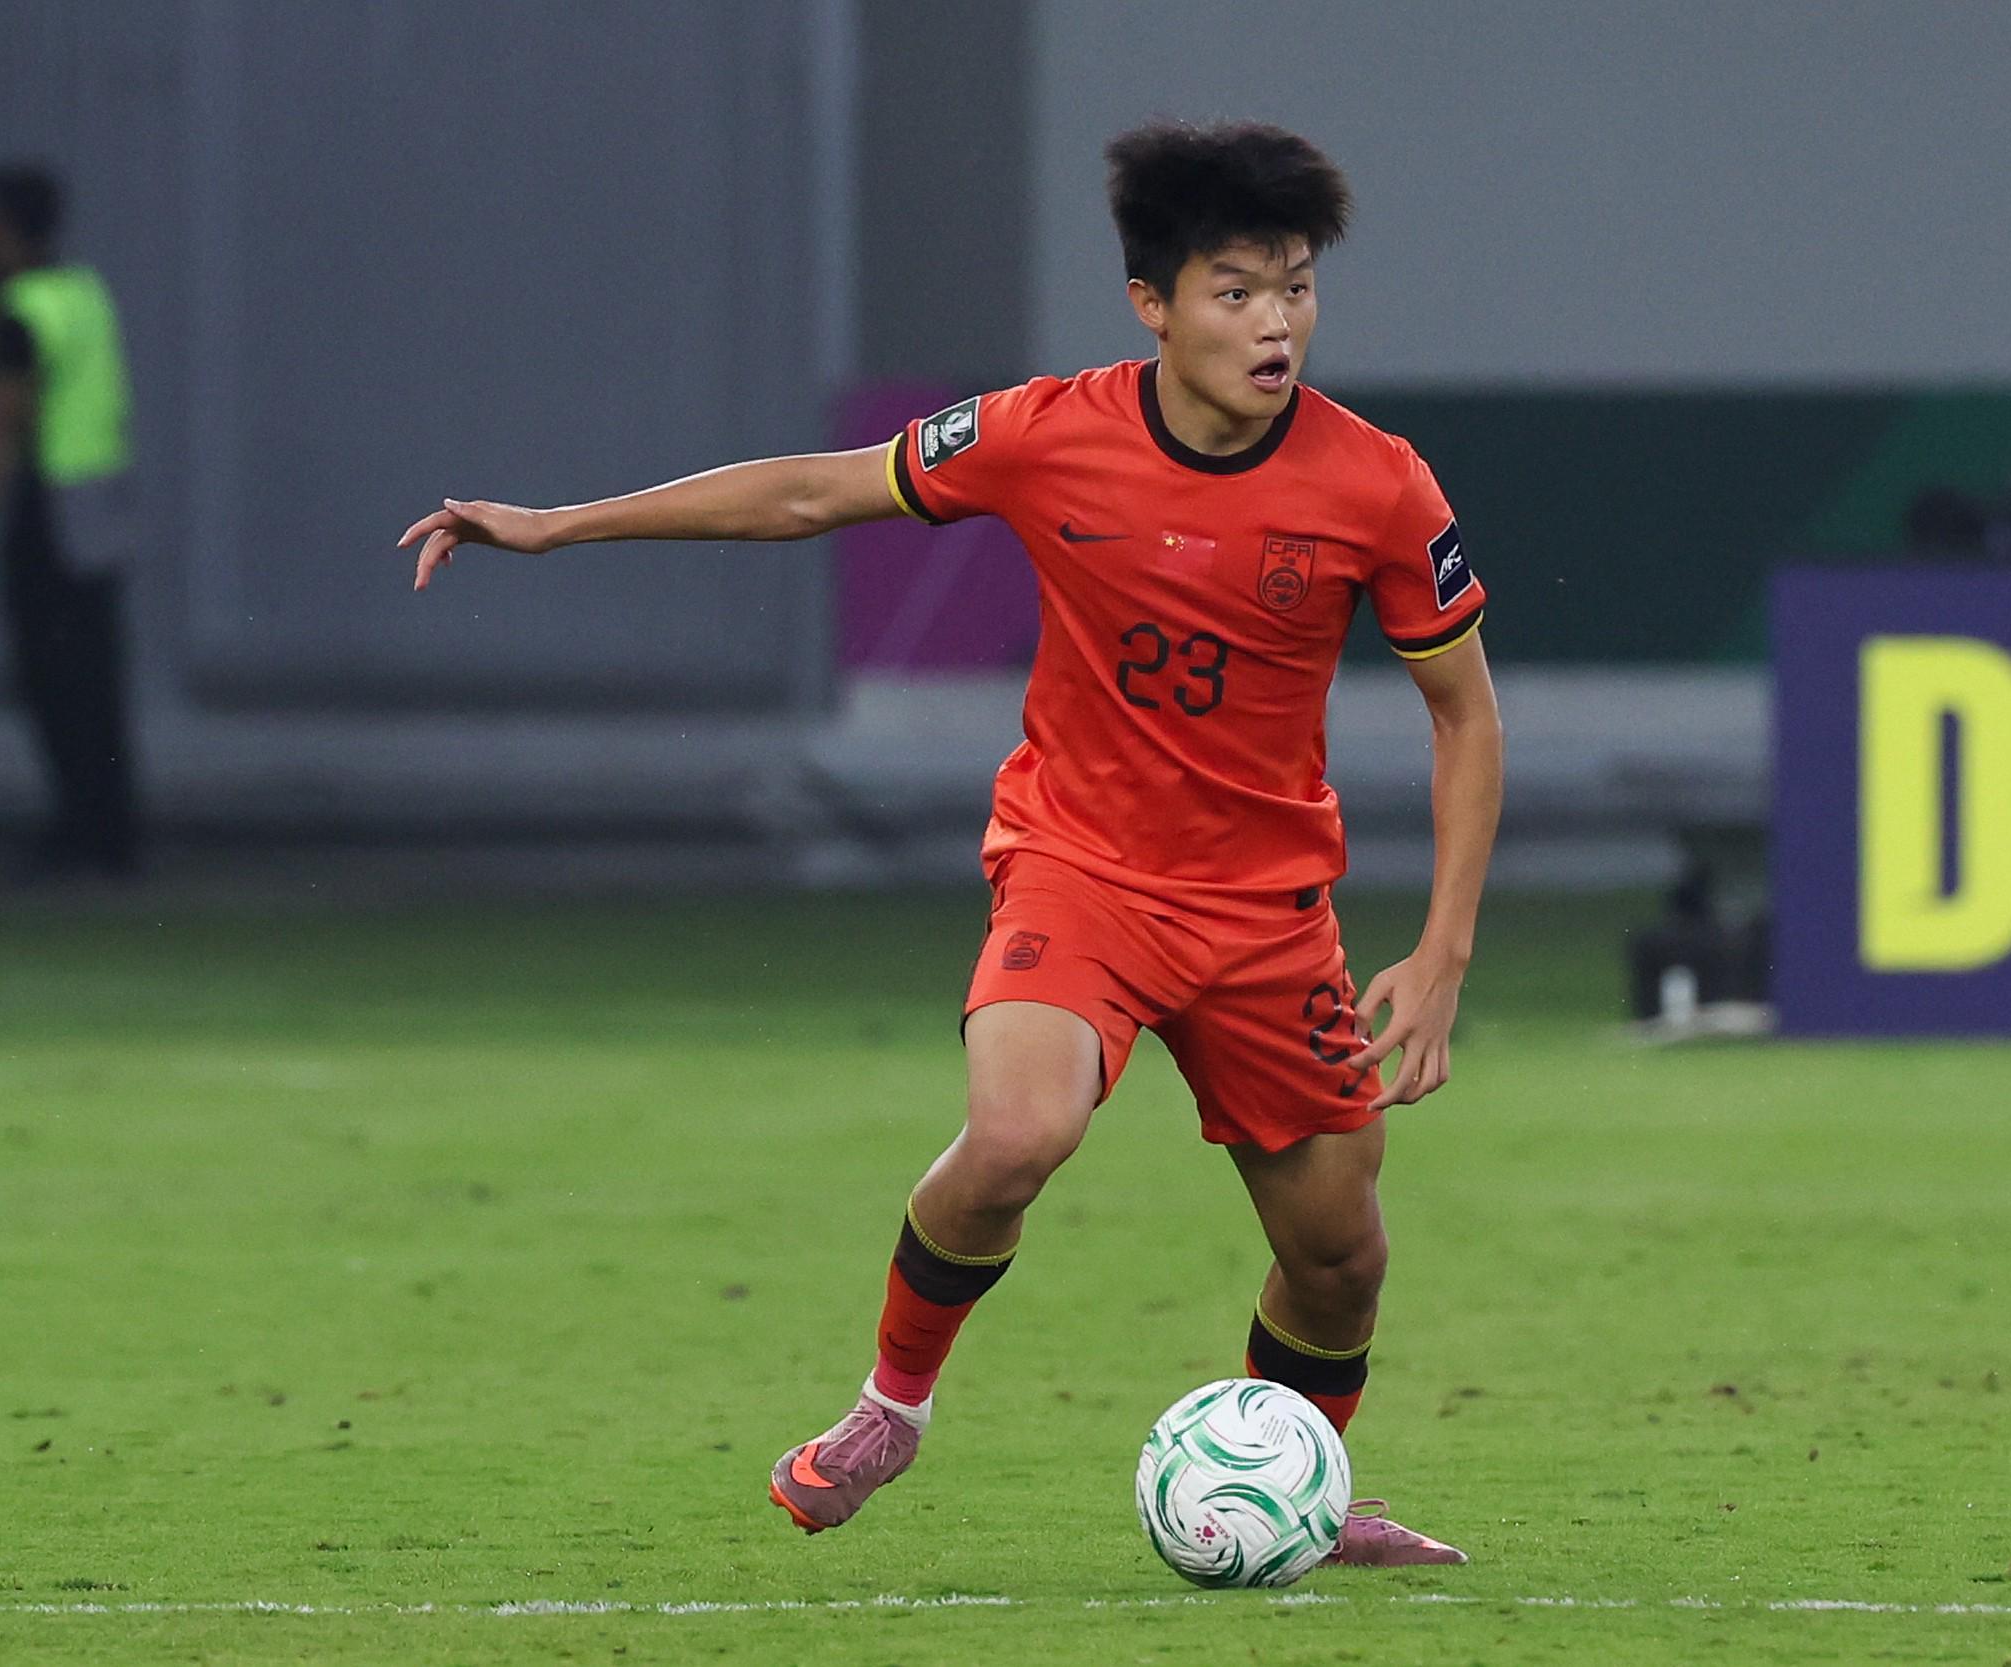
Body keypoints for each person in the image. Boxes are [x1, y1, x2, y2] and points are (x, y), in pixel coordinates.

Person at [398, 121, 1502, 1567]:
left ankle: (1299, 1487)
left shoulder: (1378, 484)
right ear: (1151, 303)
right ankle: (889, 1407)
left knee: (1341, 1255)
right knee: (1018, 1132)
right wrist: (558, 525)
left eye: (1295, 288)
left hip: (1266, 909)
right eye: (1235, 292)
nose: (1275, 324)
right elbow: (814, 490)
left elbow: (1464, 714)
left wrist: (1442, 947)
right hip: (1080, 869)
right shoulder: (1044, 433)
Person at [0, 162, 142, 880]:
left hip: (51, 501)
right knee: (97, 669)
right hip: (102, 494)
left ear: (5, 226)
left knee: (52, 671)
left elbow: (4, 419)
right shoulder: (83, 291)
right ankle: (111, 828)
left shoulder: (23, 311)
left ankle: (78, 830)